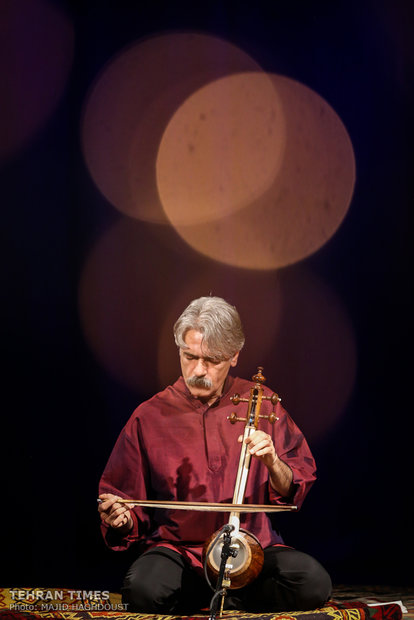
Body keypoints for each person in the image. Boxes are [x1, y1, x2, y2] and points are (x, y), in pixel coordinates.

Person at [98, 296, 332, 613]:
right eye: (189, 356)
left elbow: (295, 484)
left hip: (252, 551)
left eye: (212, 360)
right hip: (181, 552)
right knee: (142, 590)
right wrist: (122, 519)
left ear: (234, 356)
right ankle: (219, 596)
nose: (198, 370)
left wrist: (273, 462)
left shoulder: (262, 403)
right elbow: (124, 501)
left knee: (312, 582)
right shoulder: (148, 416)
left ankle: (215, 597)